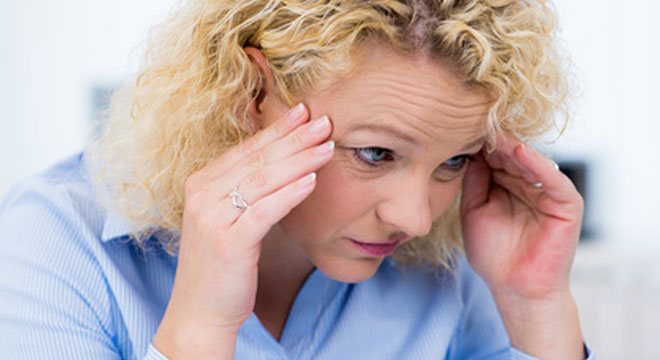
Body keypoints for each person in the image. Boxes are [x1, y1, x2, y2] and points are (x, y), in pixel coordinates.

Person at [0, 0, 596, 359]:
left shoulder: (451, 272)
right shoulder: (51, 244)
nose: (416, 219)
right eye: (375, 153)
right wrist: (202, 327)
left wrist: (533, 307)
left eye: (455, 161)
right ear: (251, 93)